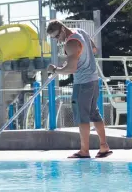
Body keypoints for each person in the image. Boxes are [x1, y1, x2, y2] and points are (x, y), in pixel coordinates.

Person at [46, 20, 112, 158]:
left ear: (63, 30)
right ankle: (104, 146)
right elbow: (94, 50)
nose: (57, 40)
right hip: (94, 80)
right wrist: (75, 57)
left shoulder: (70, 43)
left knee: (83, 117)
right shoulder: (81, 32)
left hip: (82, 83)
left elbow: (71, 68)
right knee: (94, 113)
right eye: (54, 39)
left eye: (57, 36)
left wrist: (55, 69)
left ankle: (84, 151)